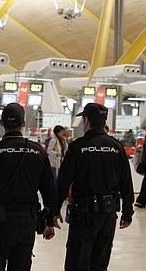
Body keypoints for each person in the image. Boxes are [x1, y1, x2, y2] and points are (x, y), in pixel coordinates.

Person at [0, 103, 57, 270]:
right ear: (23, 124)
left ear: (1, 123)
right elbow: (49, 191)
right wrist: (50, 221)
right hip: (27, 223)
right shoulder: (38, 152)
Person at [54, 103, 134, 271]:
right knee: (100, 263)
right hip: (108, 215)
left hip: (84, 214)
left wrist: (53, 211)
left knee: (77, 262)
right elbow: (126, 182)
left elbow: (63, 182)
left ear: (87, 120)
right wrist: (127, 212)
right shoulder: (116, 147)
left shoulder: (78, 147)